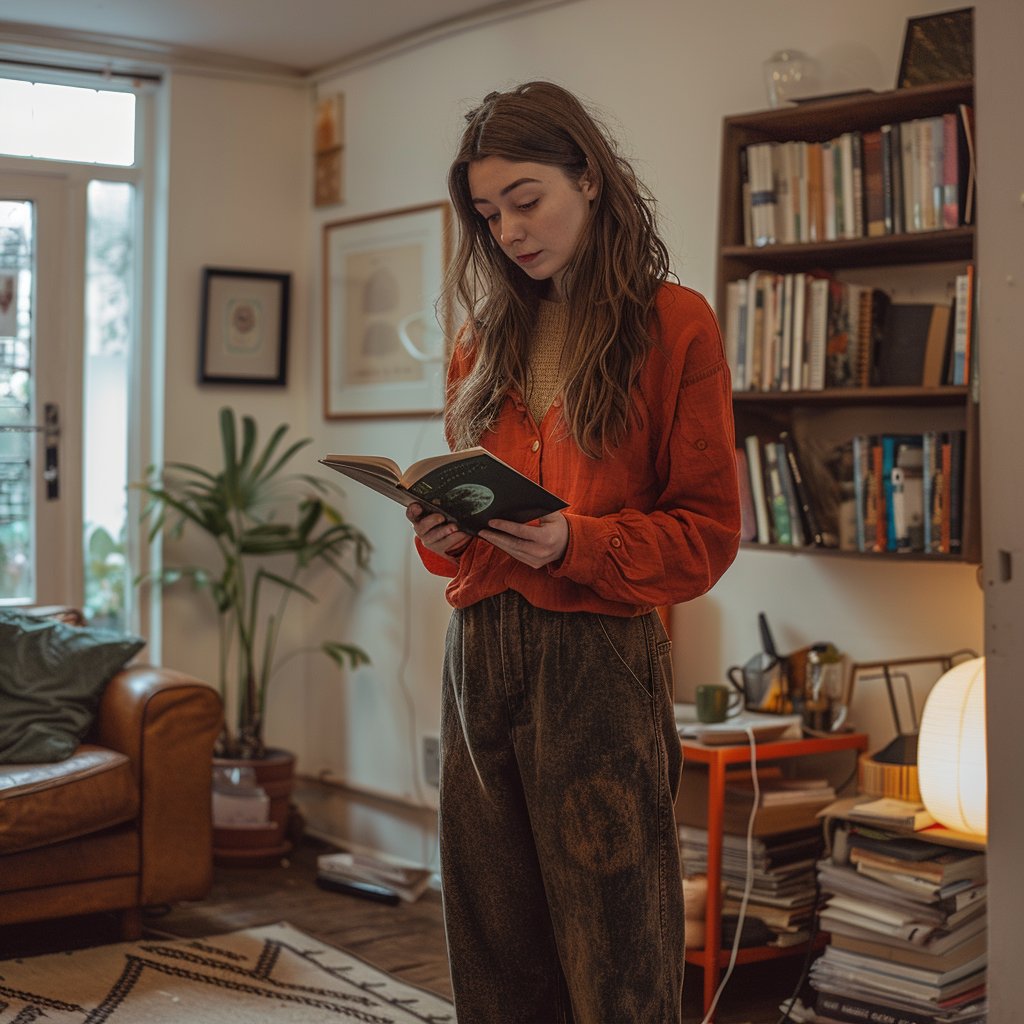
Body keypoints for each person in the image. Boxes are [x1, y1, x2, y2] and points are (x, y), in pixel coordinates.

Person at [406, 80, 741, 1024]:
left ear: (588, 178)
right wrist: (442, 535)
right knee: (492, 945)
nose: (509, 230)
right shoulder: (481, 343)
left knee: (616, 953)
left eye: (527, 199)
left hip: (596, 659)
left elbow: (709, 535)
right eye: (487, 213)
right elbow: (466, 537)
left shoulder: (675, 325)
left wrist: (574, 541)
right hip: (476, 657)